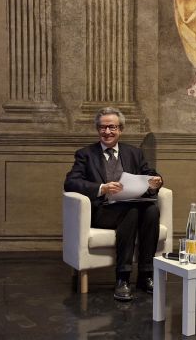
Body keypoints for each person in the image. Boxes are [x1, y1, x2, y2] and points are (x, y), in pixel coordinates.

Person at [63, 107, 164, 301]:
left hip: (131, 207)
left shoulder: (134, 153)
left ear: (121, 129)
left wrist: (155, 182)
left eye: (112, 127)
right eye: (103, 127)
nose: (107, 132)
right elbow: (71, 182)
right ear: (97, 129)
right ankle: (122, 278)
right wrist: (102, 188)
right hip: (102, 211)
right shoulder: (85, 154)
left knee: (151, 210)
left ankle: (146, 275)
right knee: (131, 211)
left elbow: (150, 174)